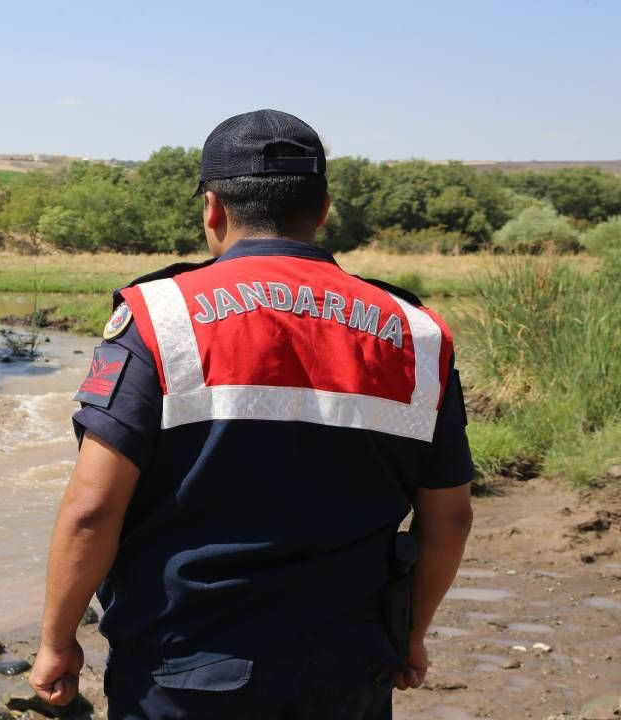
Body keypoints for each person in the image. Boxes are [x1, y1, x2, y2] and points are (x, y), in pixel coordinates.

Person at [30, 109, 474, 719]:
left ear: (213, 208)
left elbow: (92, 509)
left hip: (185, 669)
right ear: (322, 211)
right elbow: (448, 520)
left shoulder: (161, 320)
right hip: (348, 668)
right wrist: (411, 634)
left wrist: (57, 642)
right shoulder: (416, 335)